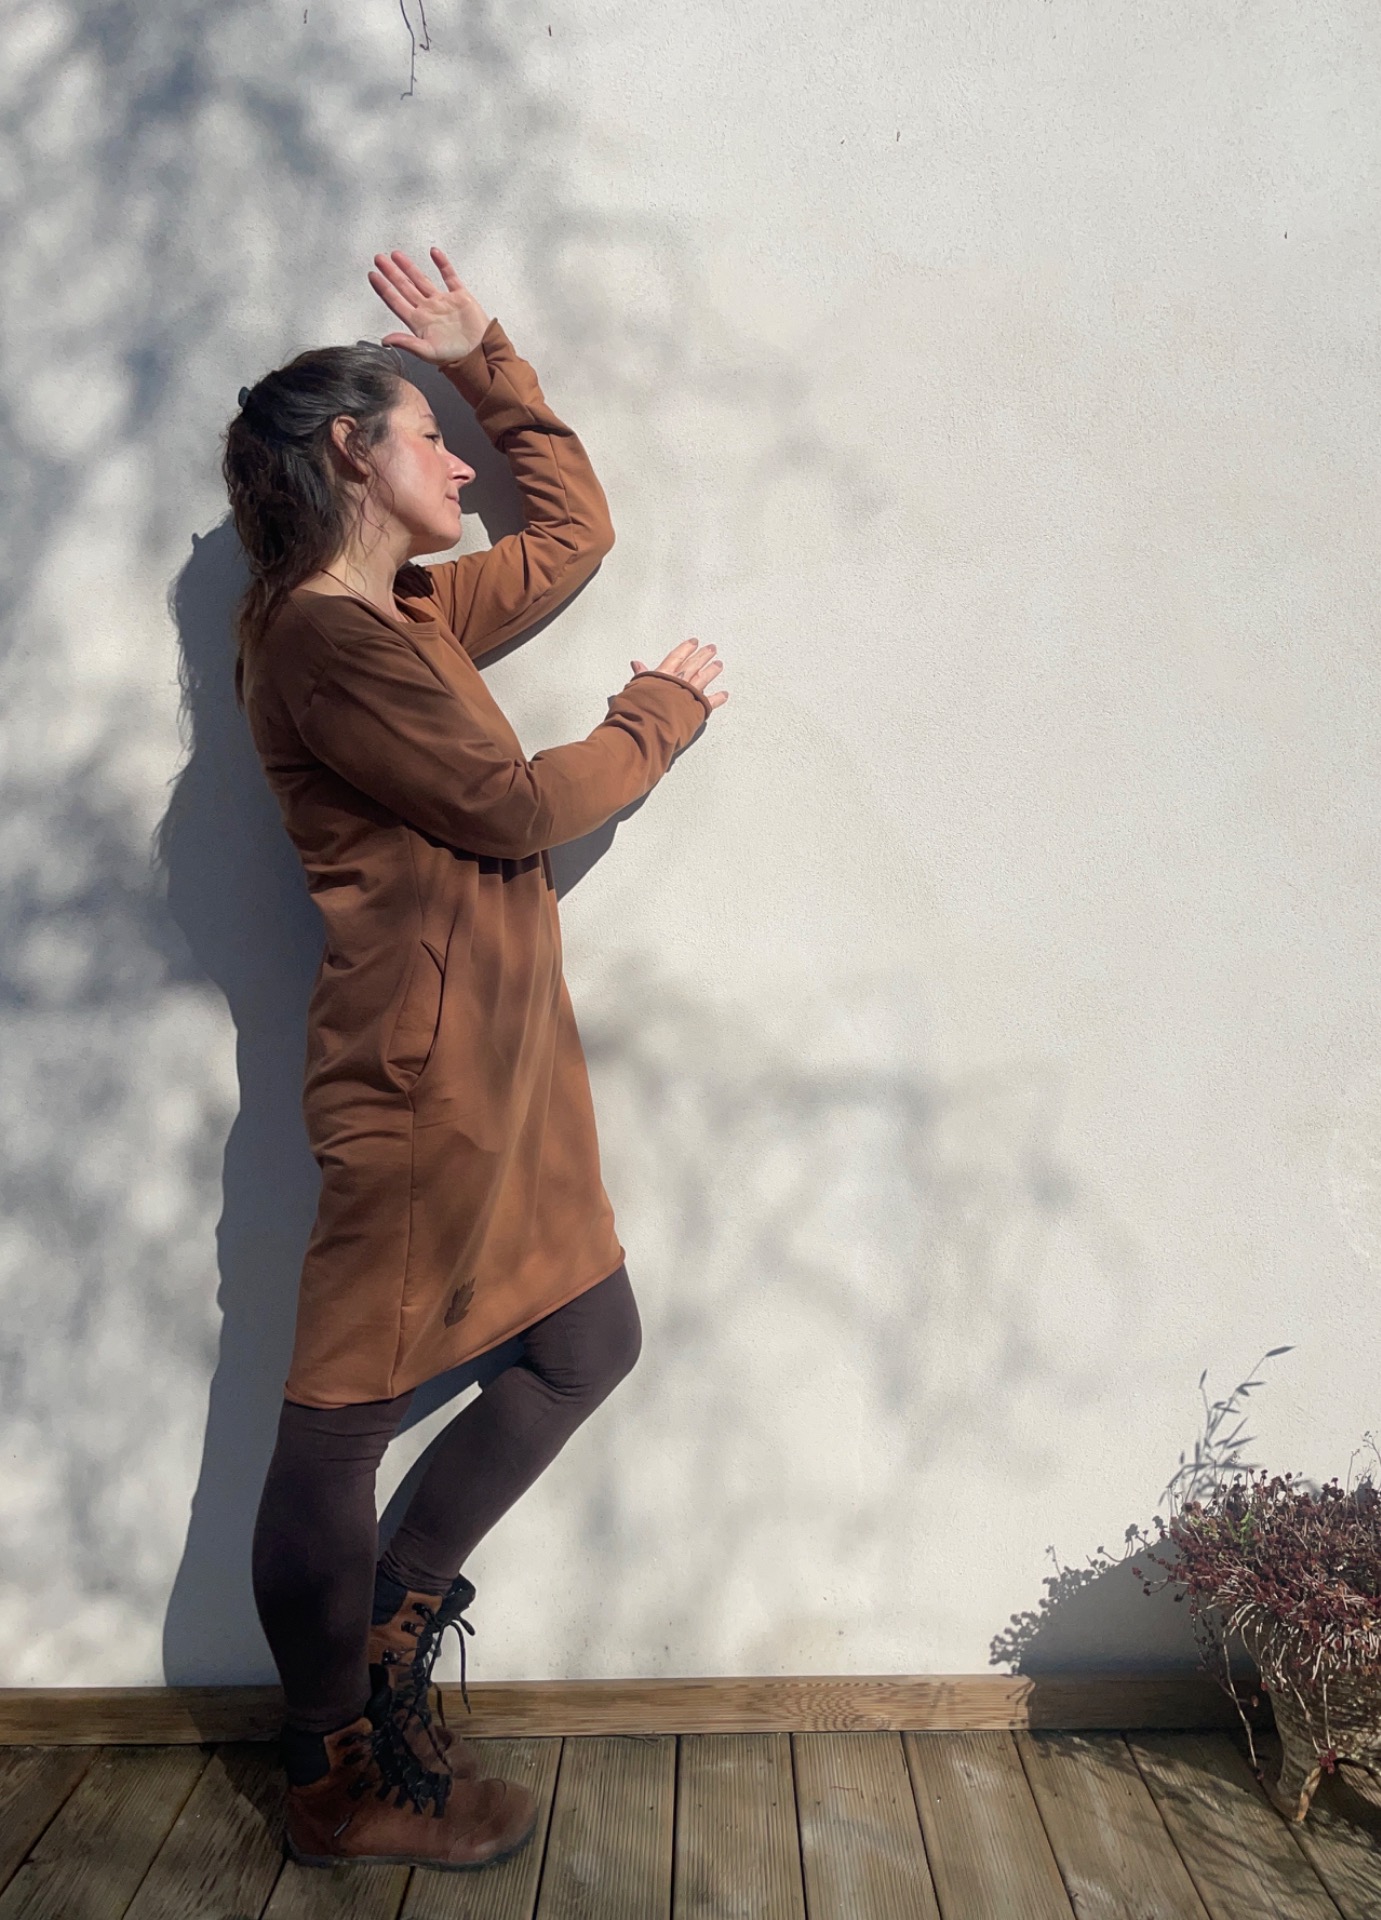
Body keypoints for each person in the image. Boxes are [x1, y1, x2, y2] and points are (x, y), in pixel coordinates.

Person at [222, 246, 727, 1870]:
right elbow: (505, 809)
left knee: (587, 1341)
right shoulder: (320, 641)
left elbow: (572, 535)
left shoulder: (414, 610)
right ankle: (330, 1776)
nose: (454, 462)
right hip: (415, 1090)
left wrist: (481, 359)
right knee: (337, 1423)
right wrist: (652, 721)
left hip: (508, 1075)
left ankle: (385, 1637)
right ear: (347, 453)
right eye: (427, 435)